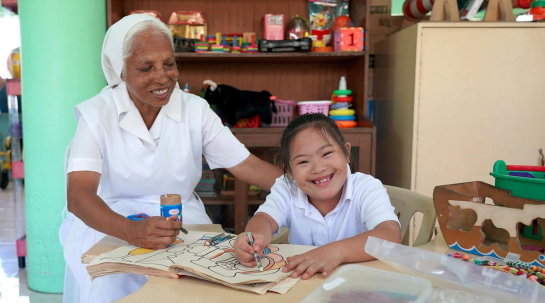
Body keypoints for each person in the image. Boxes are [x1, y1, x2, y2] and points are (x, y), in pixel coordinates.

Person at [59, 14, 282, 303]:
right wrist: (131, 231)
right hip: (109, 218)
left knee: (199, 280)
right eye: (145, 67)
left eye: (169, 63)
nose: (163, 77)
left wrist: (309, 186)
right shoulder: (97, 114)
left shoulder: (195, 109)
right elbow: (79, 196)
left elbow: (246, 164)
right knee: (113, 279)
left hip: (180, 215)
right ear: (121, 71)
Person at [233, 113, 401, 280]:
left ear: (346, 153)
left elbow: (390, 234)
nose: (318, 168)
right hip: (304, 286)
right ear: (290, 171)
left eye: (327, 153)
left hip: (357, 284)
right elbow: (265, 219)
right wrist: (255, 238)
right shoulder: (287, 188)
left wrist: (336, 252)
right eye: (303, 162)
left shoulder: (366, 188)